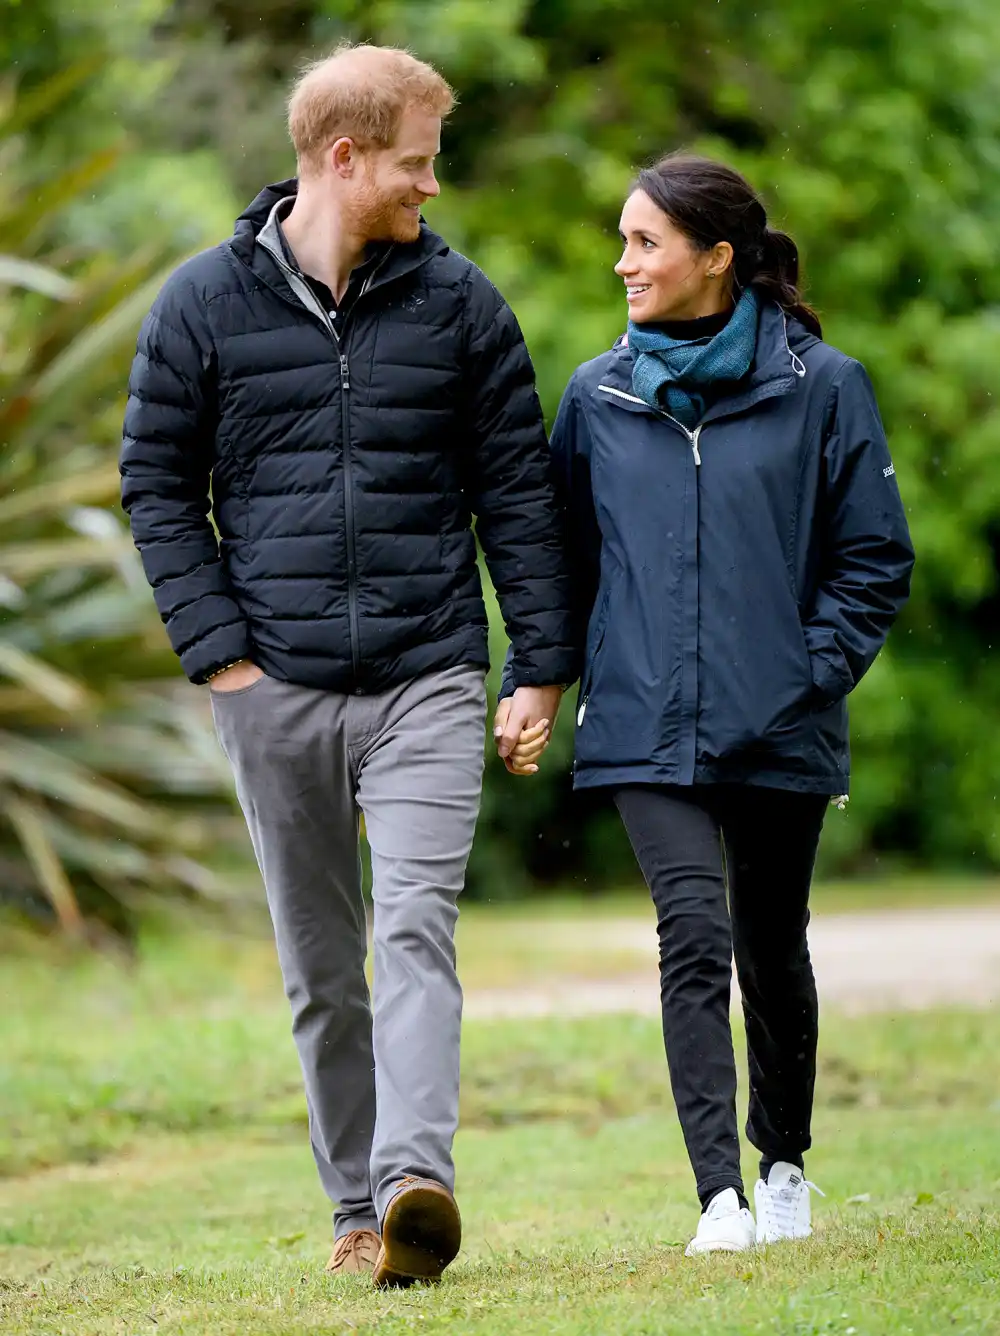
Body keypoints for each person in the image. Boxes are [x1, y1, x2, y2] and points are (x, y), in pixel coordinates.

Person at [120, 43, 574, 1288]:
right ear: (344, 157)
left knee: (415, 928)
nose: (432, 189)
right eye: (417, 166)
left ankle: (413, 1181)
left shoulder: (463, 305)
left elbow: (515, 495)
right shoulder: (200, 306)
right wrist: (221, 661)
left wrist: (539, 664)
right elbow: (155, 486)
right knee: (323, 969)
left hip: (428, 672)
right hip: (273, 686)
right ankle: (352, 1209)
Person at [495, 153, 914, 1255]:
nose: (621, 262)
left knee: (771, 943)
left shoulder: (824, 386)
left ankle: (783, 1165)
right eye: (622, 240)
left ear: (715, 259)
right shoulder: (597, 395)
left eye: (645, 242)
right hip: (640, 725)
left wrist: (805, 674)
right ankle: (717, 1197)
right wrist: (534, 681)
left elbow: (873, 560)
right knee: (692, 936)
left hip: (779, 722)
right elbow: (562, 564)